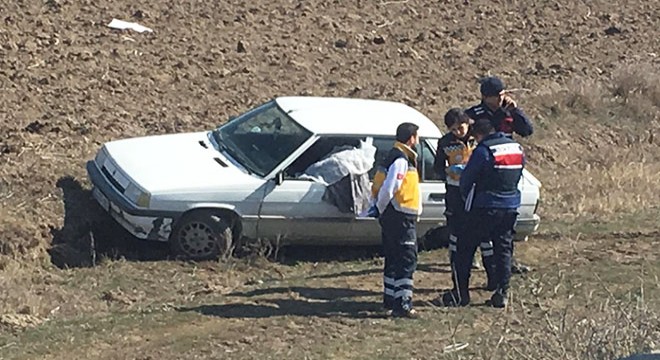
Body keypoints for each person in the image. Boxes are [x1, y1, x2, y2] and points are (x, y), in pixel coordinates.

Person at [442, 119, 525, 308]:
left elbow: (468, 179)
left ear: (478, 135)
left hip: (485, 206)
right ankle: (502, 292)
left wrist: (466, 197)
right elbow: (519, 171)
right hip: (510, 206)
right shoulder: (516, 148)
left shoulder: (483, 150)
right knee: (503, 249)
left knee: (464, 248)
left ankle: (461, 293)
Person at [465, 76, 533, 274]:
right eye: (499, 95)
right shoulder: (475, 114)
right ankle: (476, 256)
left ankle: (506, 259)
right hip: (484, 167)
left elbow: (527, 131)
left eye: (503, 93)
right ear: (487, 97)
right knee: (479, 216)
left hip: (506, 167)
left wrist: (515, 110)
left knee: (506, 218)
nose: (503, 97)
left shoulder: (509, 111)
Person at [433, 108, 496, 290]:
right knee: (457, 234)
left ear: (468, 123)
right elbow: (437, 167)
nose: (458, 132)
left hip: (478, 191)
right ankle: (458, 281)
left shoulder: (479, 137)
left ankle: (492, 278)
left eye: (461, 127)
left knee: (486, 235)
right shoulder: (445, 142)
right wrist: (448, 171)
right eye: (453, 130)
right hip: (455, 192)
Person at [368, 122, 422, 318]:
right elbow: (390, 188)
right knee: (406, 258)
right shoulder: (401, 159)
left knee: (392, 257)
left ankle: (390, 300)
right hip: (400, 215)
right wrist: (382, 210)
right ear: (411, 138)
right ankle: (403, 304)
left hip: (394, 215)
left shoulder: (392, 155)